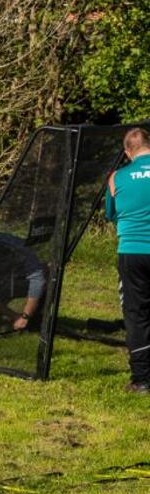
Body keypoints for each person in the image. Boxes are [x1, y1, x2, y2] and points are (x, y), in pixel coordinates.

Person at [105, 125, 150, 394]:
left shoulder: (116, 177)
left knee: (136, 314)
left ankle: (142, 380)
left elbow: (110, 214)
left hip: (132, 251)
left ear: (127, 153)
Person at [0, 231, 47, 332]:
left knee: (48, 273)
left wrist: (26, 316)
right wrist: (14, 316)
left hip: (20, 278)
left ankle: (38, 314)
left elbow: (37, 279)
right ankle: (2, 315)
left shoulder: (21, 249)